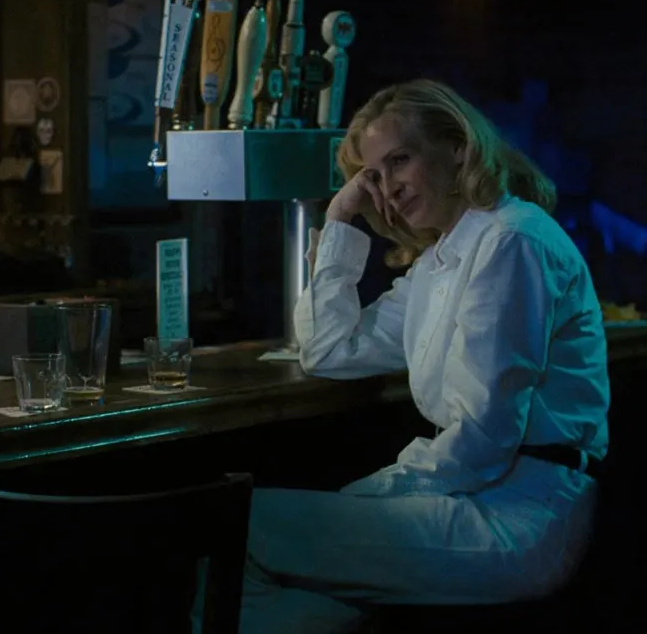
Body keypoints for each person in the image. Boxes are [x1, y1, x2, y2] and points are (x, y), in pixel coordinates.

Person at [238, 79, 611, 634]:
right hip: (474, 492)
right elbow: (330, 350)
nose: (387, 188)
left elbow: (483, 437)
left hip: (519, 514)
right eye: (373, 176)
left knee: (238, 529)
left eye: (400, 161)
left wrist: (370, 493)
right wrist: (339, 220)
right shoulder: (443, 258)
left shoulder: (512, 241)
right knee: (264, 557)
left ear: (458, 147)